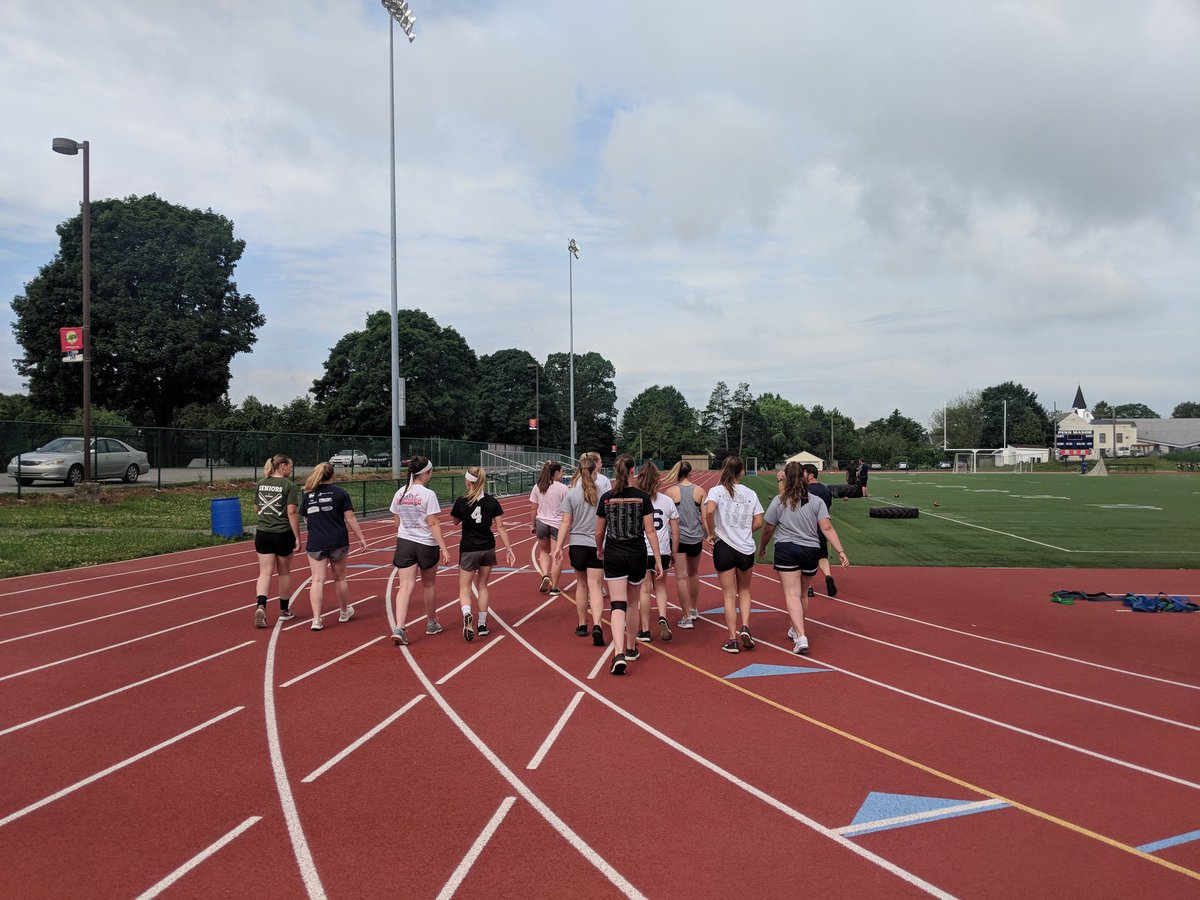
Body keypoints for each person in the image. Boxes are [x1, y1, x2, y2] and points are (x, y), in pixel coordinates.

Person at [758, 461, 850, 655]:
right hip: (811, 551)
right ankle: (796, 629)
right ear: (804, 476)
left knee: (791, 594)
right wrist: (840, 551)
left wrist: (763, 547)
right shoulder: (817, 501)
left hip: (787, 549)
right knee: (802, 593)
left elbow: (768, 528)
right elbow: (826, 528)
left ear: (786, 478)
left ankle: (801, 636)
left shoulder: (780, 500)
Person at [595, 454, 662, 675]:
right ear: (633, 471)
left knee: (617, 605)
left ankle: (618, 653)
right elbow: (650, 531)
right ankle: (631, 647)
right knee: (633, 603)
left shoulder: (606, 498)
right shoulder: (642, 498)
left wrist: (599, 548)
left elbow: (599, 531)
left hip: (614, 552)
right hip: (637, 553)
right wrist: (658, 559)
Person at [704, 455, 763, 654]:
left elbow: (709, 511)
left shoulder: (716, 491)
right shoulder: (750, 493)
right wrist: (745, 531)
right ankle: (745, 626)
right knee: (745, 591)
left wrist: (711, 533)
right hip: (746, 548)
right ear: (741, 472)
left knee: (729, 596)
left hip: (725, 547)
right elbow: (759, 522)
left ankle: (732, 639)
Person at [389, 456, 451, 646]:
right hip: (426, 544)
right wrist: (444, 547)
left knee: (405, 586)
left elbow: (396, 518)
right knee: (429, 584)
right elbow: (432, 522)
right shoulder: (428, 494)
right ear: (426, 473)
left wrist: (405, 532)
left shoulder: (400, 492)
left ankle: (399, 627)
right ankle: (431, 623)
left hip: (405, 543)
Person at [300, 462, 368, 631]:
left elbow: (306, 518)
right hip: (338, 540)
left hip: (316, 541)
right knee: (340, 578)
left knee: (317, 579)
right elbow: (350, 518)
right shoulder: (340, 494)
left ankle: (316, 619)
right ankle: (344, 611)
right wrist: (361, 538)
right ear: (332, 476)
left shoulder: (308, 495)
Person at [450, 466, 515, 641]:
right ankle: (482, 624)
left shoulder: (461, 501)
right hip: (487, 548)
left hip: (469, 549)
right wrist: (509, 548)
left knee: (464, 588)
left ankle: (466, 613)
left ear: (468, 482)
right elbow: (500, 526)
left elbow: (455, 521)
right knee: (483, 586)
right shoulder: (492, 501)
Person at [553, 454, 606, 644]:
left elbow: (565, 523)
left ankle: (583, 624)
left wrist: (559, 546)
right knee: (596, 587)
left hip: (577, 544)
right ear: (594, 472)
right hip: (597, 544)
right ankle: (598, 624)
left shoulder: (571, 494)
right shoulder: (603, 494)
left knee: (581, 585)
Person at [252, 453, 302, 628]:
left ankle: (261, 605)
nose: (291, 469)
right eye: (290, 466)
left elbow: (256, 507)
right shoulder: (289, 485)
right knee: (284, 573)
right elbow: (292, 512)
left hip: (263, 533)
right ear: (282, 466)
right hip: (282, 533)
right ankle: (284, 610)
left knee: (264, 572)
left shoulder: (260, 483)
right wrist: (297, 537)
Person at [637, 461, 679, 643]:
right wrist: (674, 552)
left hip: (641, 549)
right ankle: (662, 616)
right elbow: (676, 530)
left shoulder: (636, 499)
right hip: (662, 549)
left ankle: (645, 629)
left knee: (645, 590)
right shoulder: (667, 500)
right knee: (660, 587)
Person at [664, 461, 707, 628]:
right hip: (696, 537)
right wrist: (710, 535)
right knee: (694, 574)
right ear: (690, 473)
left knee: (680, 577)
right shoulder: (700, 491)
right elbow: (704, 517)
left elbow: (665, 516)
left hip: (678, 539)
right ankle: (694, 608)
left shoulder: (670, 492)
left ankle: (686, 616)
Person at [529, 461, 568, 595]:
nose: (563, 474)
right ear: (556, 473)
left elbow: (533, 507)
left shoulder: (537, 487)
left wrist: (533, 524)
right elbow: (567, 510)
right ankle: (554, 587)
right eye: (562, 471)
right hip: (557, 524)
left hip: (541, 523)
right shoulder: (563, 488)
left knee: (544, 552)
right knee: (556, 554)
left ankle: (545, 575)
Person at [801, 463, 838, 598]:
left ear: (810, 475)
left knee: (806, 558)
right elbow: (828, 509)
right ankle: (828, 576)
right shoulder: (826, 489)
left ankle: (809, 587)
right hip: (822, 526)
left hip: (808, 527)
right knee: (822, 556)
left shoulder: (804, 490)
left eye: (803, 473)